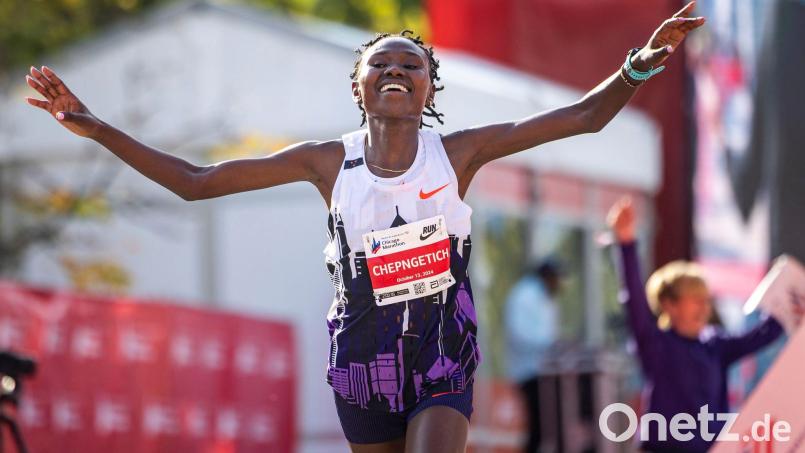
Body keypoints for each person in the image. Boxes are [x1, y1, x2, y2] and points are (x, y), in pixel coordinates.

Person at [24, 4, 704, 451]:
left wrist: (638, 62)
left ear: (430, 90)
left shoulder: (457, 152)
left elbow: (581, 118)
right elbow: (196, 182)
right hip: (360, 360)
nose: (397, 71)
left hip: (441, 353)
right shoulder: (327, 161)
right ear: (358, 86)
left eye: (411, 65)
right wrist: (93, 126)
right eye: (381, 63)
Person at [607, 197, 785, 452]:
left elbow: (764, 334)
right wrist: (626, 243)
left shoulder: (716, 345)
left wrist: (790, 296)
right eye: (695, 300)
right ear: (669, 304)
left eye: (706, 300)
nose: (704, 308)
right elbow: (633, 298)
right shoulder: (656, 344)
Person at [504, 260, 562, 453]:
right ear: (548, 276)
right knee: (538, 429)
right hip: (530, 372)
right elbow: (520, 334)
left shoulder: (544, 297)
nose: (559, 284)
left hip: (543, 372)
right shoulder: (526, 295)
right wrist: (550, 344)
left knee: (547, 428)